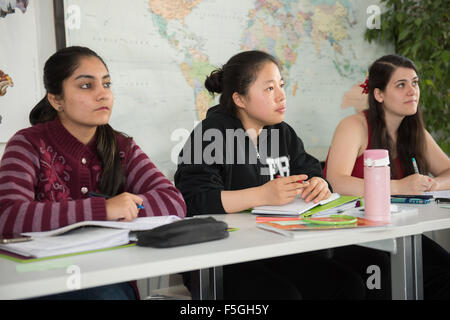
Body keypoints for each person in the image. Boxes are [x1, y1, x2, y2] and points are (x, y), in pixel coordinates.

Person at [174, 50, 366, 299]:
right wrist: (262, 195)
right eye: (269, 88)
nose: (281, 95)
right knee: (282, 295)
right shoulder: (212, 133)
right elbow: (194, 200)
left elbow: (308, 169)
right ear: (240, 99)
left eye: (281, 85)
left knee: (347, 285)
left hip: (273, 248)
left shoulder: (280, 132)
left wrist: (319, 183)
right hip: (221, 257)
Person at [0, 46, 186, 299]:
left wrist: (132, 207)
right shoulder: (28, 143)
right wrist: (104, 209)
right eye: (86, 86)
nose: (103, 95)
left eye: (107, 84)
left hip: (108, 279)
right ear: (56, 99)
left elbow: (173, 201)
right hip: (40, 282)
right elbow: (9, 216)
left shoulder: (122, 147)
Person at [324, 54, 450, 299]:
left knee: (445, 271)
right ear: (379, 94)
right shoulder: (354, 126)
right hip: (354, 235)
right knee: (383, 282)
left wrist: (432, 183)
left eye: (415, 82)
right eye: (401, 85)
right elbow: (336, 181)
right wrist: (399, 186)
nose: (412, 91)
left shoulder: (414, 131)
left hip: (398, 232)